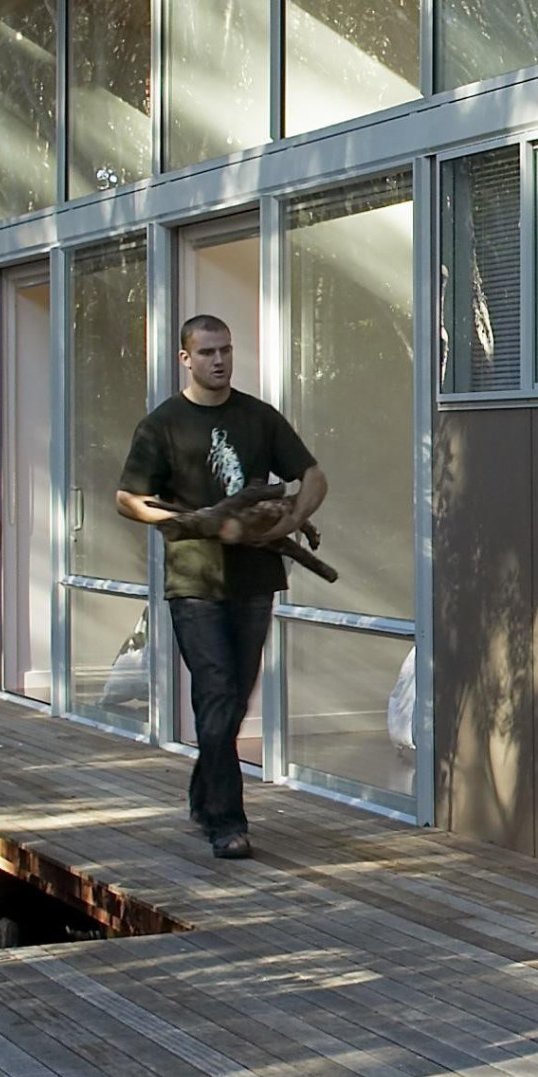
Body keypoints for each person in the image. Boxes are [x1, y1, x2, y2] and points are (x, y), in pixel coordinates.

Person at [116, 314, 325, 857]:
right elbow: (129, 498)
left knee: (234, 699)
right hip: (194, 580)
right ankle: (227, 823)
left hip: (255, 578)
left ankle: (204, 792)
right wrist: (192, 523)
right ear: (185, 358)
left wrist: (287, 519)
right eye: (207, 351)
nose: (219, 360)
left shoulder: (259, 417)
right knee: (216, 689)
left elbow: (314, 475)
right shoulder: (162, 424)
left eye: (225, 350)